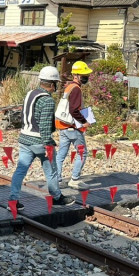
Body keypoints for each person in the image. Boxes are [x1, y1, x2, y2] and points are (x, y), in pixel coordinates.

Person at [9, 66, 74, 208]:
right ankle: (57, 198)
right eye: (56, 83)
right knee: (51, 171)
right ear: (52, 84)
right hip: (39, 141)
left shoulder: (30, 93)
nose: (56, 86)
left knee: (20, 170)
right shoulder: (48, 101)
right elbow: (44, 127)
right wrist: (48, 144)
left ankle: (13, 200)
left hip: (24, 138)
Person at [55, 60, 93, 190]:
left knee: (61, 154)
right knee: (82, 153)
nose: (86, 78)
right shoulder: (76, 89)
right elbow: (74, 110)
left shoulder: (69, 86)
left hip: (62, 126)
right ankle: (74, 180)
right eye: (83, 75)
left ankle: (57, 179)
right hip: (72, 127)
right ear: (76, 75)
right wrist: (84, 121)